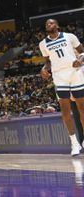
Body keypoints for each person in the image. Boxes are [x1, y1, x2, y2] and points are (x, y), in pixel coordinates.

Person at [39, 18, 84, 155]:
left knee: (82, 108)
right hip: (59, 77)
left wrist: (80, 60)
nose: (48, 25)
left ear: (57, 25)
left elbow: (82, 52)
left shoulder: (70, 37)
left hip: (75, 73)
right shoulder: (43, 44)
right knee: (65, 112)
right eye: (47, 24)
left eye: (51, 23)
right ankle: (74, 143)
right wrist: (44, 68)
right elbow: (48, 62)